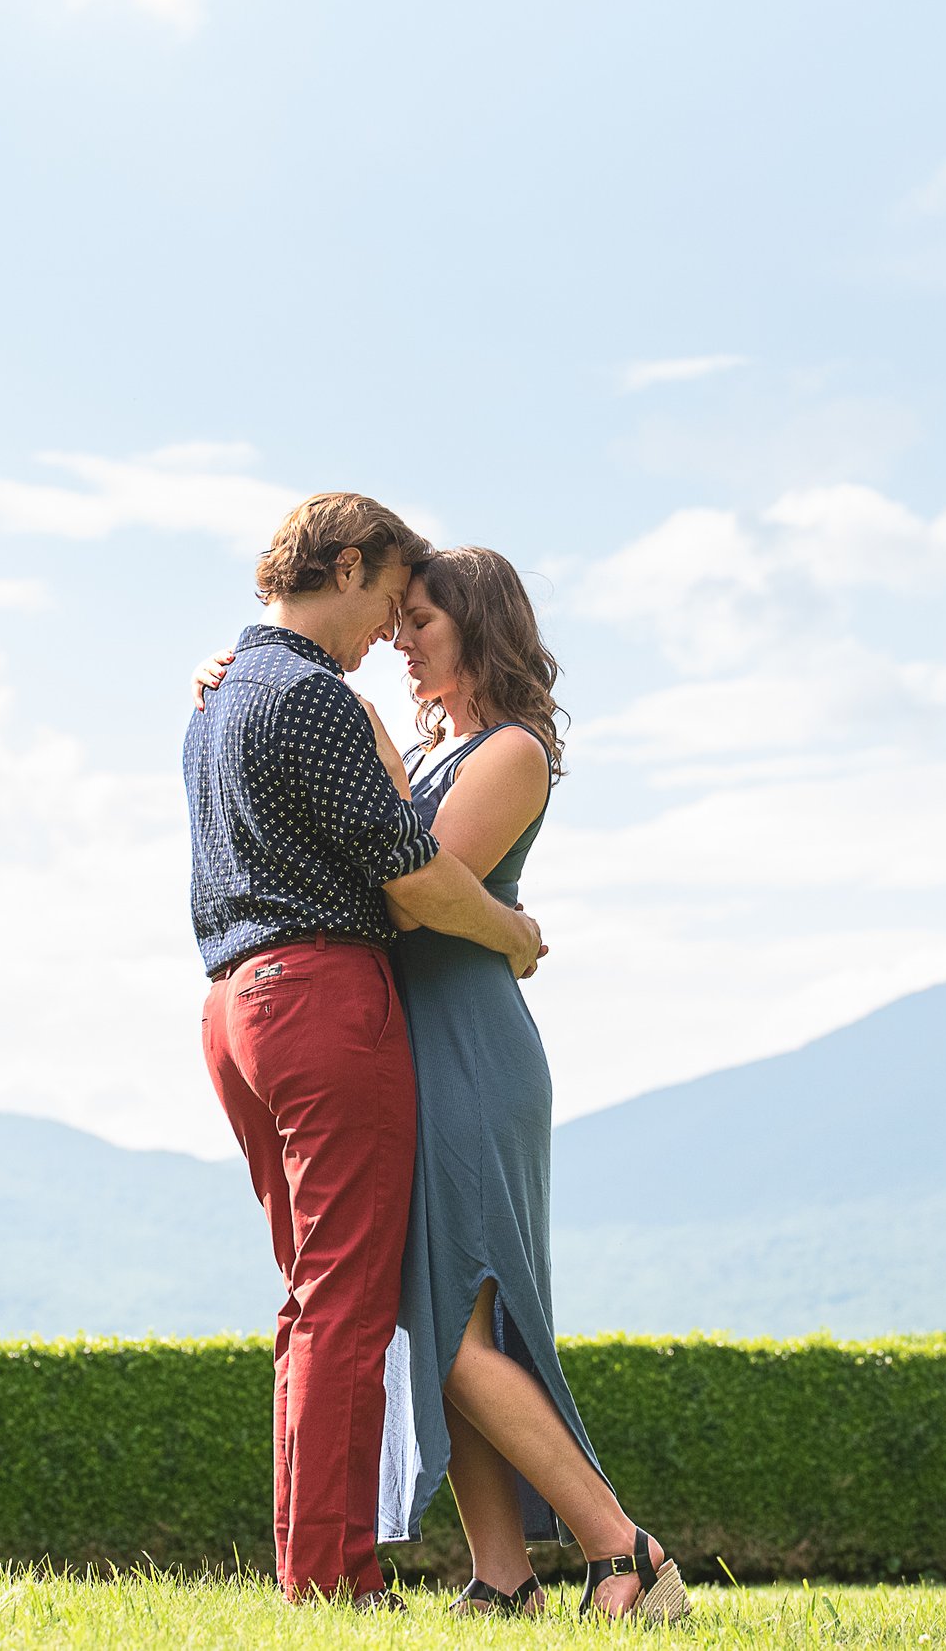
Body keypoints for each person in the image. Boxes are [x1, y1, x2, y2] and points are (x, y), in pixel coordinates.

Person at [194, 545, 691, 1624]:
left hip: (469, 1051)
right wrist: (254, 681)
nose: (398, 641)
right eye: (399, 619)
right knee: (439, 1320)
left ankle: (627, 1549)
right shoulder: (429, 748)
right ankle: (502, 1575)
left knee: (461, 1324)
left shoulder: (508, 752)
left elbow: (416, 887)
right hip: (408, 1044)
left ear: (479, 628)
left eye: (420, 621)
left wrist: (335, 720)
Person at [184, 493, 545, 1608]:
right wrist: (516, 932)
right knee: (345, 1300)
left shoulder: (220, 701)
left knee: (308, 1296)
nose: (388, 633)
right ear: (346, 568)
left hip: (234, 1002)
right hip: (323, 1001)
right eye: (389, 602)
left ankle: (313, 1570)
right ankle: (334, 1579)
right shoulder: (311, 697)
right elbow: (416, 881)